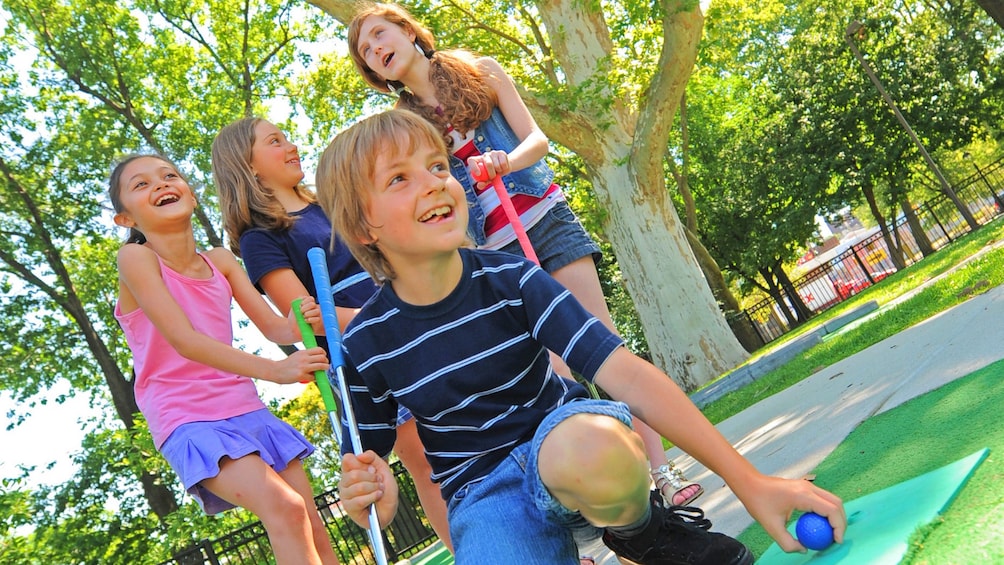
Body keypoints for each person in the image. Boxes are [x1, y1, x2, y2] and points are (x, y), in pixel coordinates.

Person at [315, 109, 846, 564]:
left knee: (592, 451)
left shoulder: (512, 278)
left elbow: (627, 375)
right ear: (365, 229)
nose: (434, 182)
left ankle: (646, 534)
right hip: (481, 495)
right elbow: (367, 461)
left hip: (565, 441)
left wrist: (749, 482)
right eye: (399, 179)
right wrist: (374, 501)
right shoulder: (364, 344)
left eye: (437, 166)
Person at [346, 1, 702, 508]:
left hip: (544, 219)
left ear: (407, 31)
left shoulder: (480, 71)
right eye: (365, 51)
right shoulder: (401, 127)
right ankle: (588, 499)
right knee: (551, 371)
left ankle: (661, 471)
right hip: (493, 250)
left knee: (602, 345)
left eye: (380, 34)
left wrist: (504, 160)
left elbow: (537, 141)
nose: (376, 49)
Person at [211, 118, 453, 552]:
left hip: (415, 322)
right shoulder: (261, 237)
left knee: (468, 433)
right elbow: (308, 318)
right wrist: (392, 315)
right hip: (369, 353)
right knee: (429, 461)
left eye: (286, 137)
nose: (291, 145)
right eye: (274, 141)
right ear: (247, 167)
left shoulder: (333, 204)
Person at [110, 154, 341, 565]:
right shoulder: (136, 259)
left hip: (244, 406)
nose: (161, 184)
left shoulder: (220, 261)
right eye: (141, 185)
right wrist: (276, 370)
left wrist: (297, 321)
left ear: (191, 194)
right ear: (126, 220)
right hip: (187, 416)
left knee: (311, 523)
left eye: (169, 176)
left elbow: (277, 330)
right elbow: (185, 341)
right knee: (284, 507)